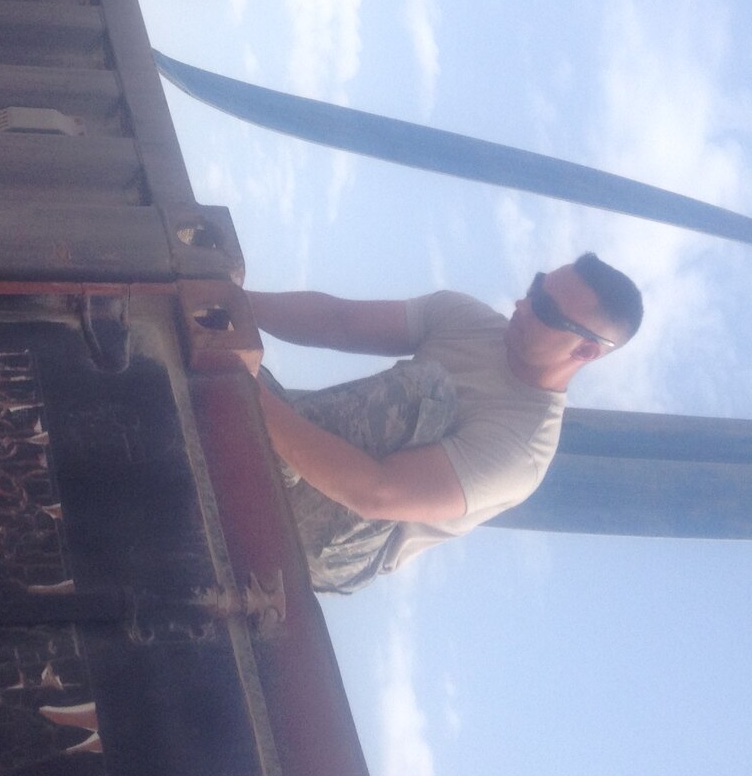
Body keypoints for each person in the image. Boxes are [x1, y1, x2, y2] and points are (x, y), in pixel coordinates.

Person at [245, 254, 643, 593]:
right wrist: (232, 304)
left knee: (425, 390)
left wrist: (249, 390)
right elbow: (339, 321)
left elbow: (379, 492)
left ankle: (258, 430)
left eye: (545, 310)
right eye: (537, 288)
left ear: (586, 349)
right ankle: (258, 427)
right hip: (305, 450)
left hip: (330, 542)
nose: (523, 304)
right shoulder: (465, 318)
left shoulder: (523, 447)